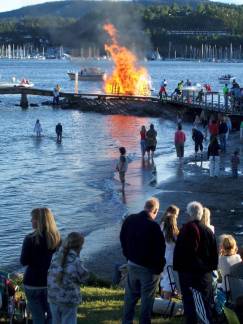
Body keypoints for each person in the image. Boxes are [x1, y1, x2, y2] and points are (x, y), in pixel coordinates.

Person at [120, 197, 166, 324]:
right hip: (148, 269)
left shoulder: (130, 220)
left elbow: (122, 239)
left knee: (130, 297)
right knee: (147, 300)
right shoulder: (154, 226)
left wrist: (128, 256)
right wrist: (159, 269)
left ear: (145, 207)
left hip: (132, 263)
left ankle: (126, 321)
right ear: (155, 210)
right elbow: (160, 250)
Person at [173, 201, 218, 324]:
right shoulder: (208, 231)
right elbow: (214, 256)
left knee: (193, 307)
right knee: (204, 306)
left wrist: (179, 270)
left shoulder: (186, 230)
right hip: (204, 275)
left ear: (190, 214)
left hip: (190, 275)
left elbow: (179, 253)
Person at [20, 208, 61, 324]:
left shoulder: (29, 239)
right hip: (51, 282)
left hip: (32, 282)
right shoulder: (57, 238)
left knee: (38, 317)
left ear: (39, 221)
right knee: (52, 315)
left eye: (33, 218)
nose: (30, 221)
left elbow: (23, 261)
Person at [48, 232, 89, 324]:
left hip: (53, 297)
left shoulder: (55, 256)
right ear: (79, 247)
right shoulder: (76, 261)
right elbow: (84, 278)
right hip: (69, 299)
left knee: (55, 321)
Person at [160, 205, 180, 300]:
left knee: (165, 278)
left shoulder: (162, 228)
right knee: (169, 280)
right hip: (171, 259)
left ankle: (163, 296)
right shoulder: (175, 235)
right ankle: (165, 301)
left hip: (162, 257)